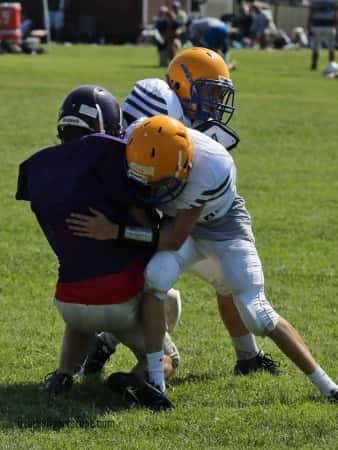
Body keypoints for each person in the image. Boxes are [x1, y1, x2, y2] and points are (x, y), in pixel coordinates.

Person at [67, 113, 338, 404]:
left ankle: (328, 387)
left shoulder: (210, 168)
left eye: (161, 183)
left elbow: (174, 238)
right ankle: (156, 382)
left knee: (257, 313)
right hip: (177, 227)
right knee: (154, 280)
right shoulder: (140, 137)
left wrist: (116, 231)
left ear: (185, 167)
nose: (154, 190)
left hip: (223, 229)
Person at [72, 48, 281, 382]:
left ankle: (248, 357)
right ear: (182, 85)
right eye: (209, 91)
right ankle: (117, 351)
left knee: (224, 280)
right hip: (147, 219)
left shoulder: (189, 125)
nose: (215, 101)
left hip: (179, 222)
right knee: (160, 291)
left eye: (218, 92)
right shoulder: (159, 101)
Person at [15, 85, 179, 408]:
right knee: (168, 310)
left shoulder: (38, 168)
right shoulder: (111, 155)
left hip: (69, 299)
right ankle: (142, 376)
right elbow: (147, 232)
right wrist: (119, 232)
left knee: (84, 294)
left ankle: (63, 375)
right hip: (119, 299)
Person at [308, 0, 338, 70]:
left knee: (319, 47)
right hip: (326, 26)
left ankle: (315, 65)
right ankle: (330, 65)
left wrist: (309, 26)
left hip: (319, 26)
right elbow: (336, 14)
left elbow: (310, 14)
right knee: (329, 48)